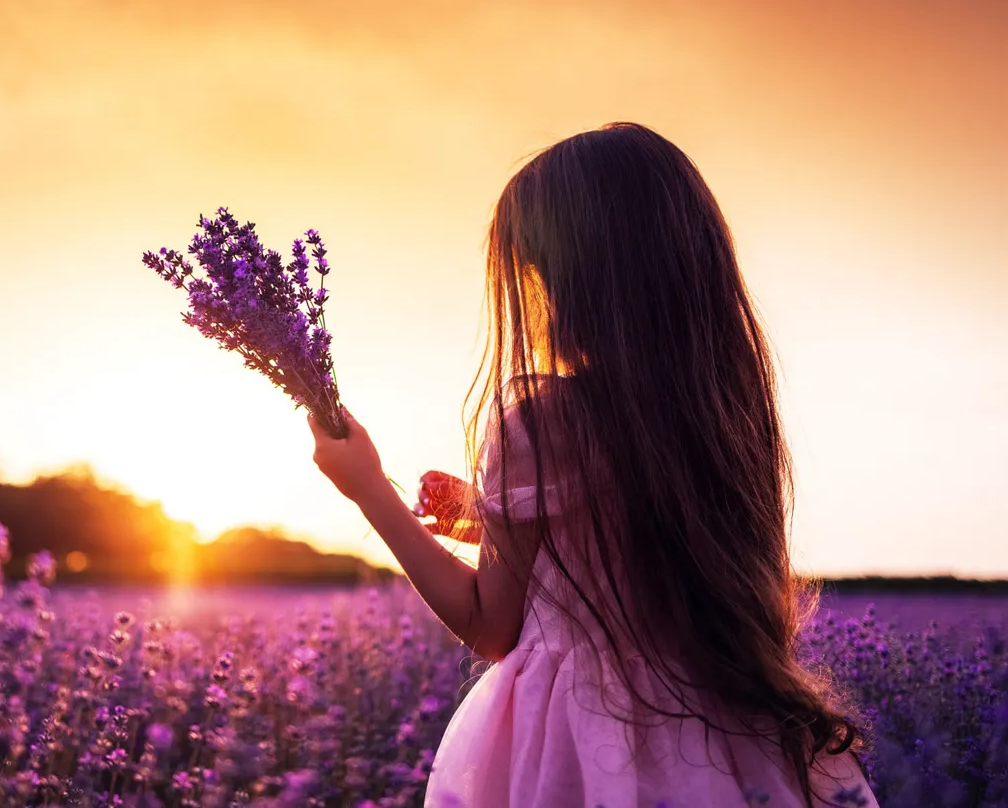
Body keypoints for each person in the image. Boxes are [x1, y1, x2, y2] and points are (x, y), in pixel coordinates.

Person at [308, 123, 878, 808]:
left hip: (577, 742)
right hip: (723, 728)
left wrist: (369, 490)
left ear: (578, 282)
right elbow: (629, 553)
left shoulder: (543, 421)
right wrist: (490, 524)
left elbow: (489, 623)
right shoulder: (720, 414)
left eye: (538, 272)